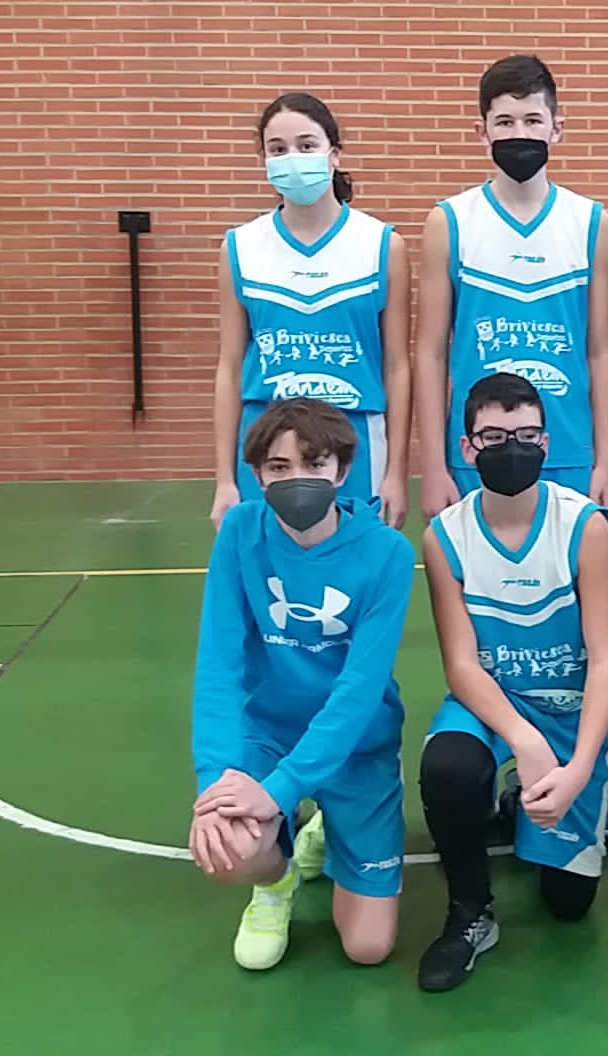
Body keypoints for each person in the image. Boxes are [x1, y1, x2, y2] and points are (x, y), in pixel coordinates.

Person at [188, 398, 415, 970]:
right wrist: (216, 784)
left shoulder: (388, 553)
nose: (297, 479)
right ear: (257, 474)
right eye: (278, 467)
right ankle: (277, 881)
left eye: (314, 464)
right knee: (231, 849)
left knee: (368, 947)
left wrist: (281, 791)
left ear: (342, 470)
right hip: (268, 735)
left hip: (357, 745)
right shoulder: (240, 532)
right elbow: (218, 666)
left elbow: (359, 692)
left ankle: (319, 825)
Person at [414, 372, 608, 992]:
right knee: (448, 768)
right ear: (467, 446)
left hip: (569, 709)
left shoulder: (584, 525)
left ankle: (518, 802)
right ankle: (470, 911)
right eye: (495, 436)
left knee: (568, 903)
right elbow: (461, 665)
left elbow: (606, 659)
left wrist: (578, 767)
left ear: (546, 442)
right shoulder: (445, 536)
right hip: (491, 702)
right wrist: (523, 739)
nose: (513, 448)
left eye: (527, 435)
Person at [415, 54, 608, 519]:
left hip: (568, 449)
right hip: (476, 453)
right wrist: (434, 466)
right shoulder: (449, 222)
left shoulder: (591, 223)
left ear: (557, 128)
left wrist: (605, 460)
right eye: (505, 121)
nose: (519, 133)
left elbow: (600, 351)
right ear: (482, 131)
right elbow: (430, 353)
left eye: (532, 120)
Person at [210, 92, 412, 531]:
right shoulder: (240, 247)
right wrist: (224, 479)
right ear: (263, 159)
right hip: (266, 441)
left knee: (356, 561)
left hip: (356, 441)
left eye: (306, 145)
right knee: (267, 564)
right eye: (278, 149)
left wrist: (396, 472)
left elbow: (397, 366)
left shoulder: (382, 246)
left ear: (334, 154)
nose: (293, 158)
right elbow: (230, 368)